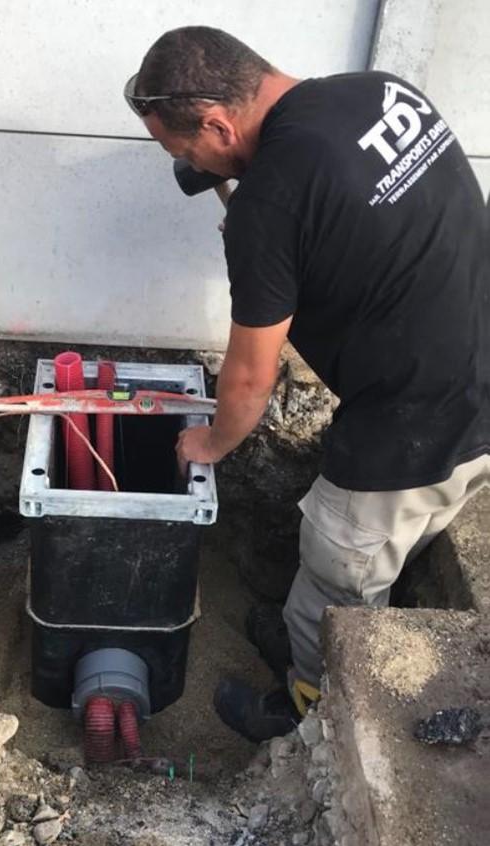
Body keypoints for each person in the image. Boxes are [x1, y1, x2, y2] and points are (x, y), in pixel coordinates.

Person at [124, 26, 490, 741]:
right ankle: (299, 631)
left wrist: (211, 442)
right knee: (389, 546)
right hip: (475, 376)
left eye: (185, 150)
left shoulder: (270, 206)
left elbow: (252, 376)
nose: (189, 168)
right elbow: (341, 221)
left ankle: (307, 713)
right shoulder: (380, 94)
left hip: (412, 432)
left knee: (336, 590)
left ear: (219, 124)